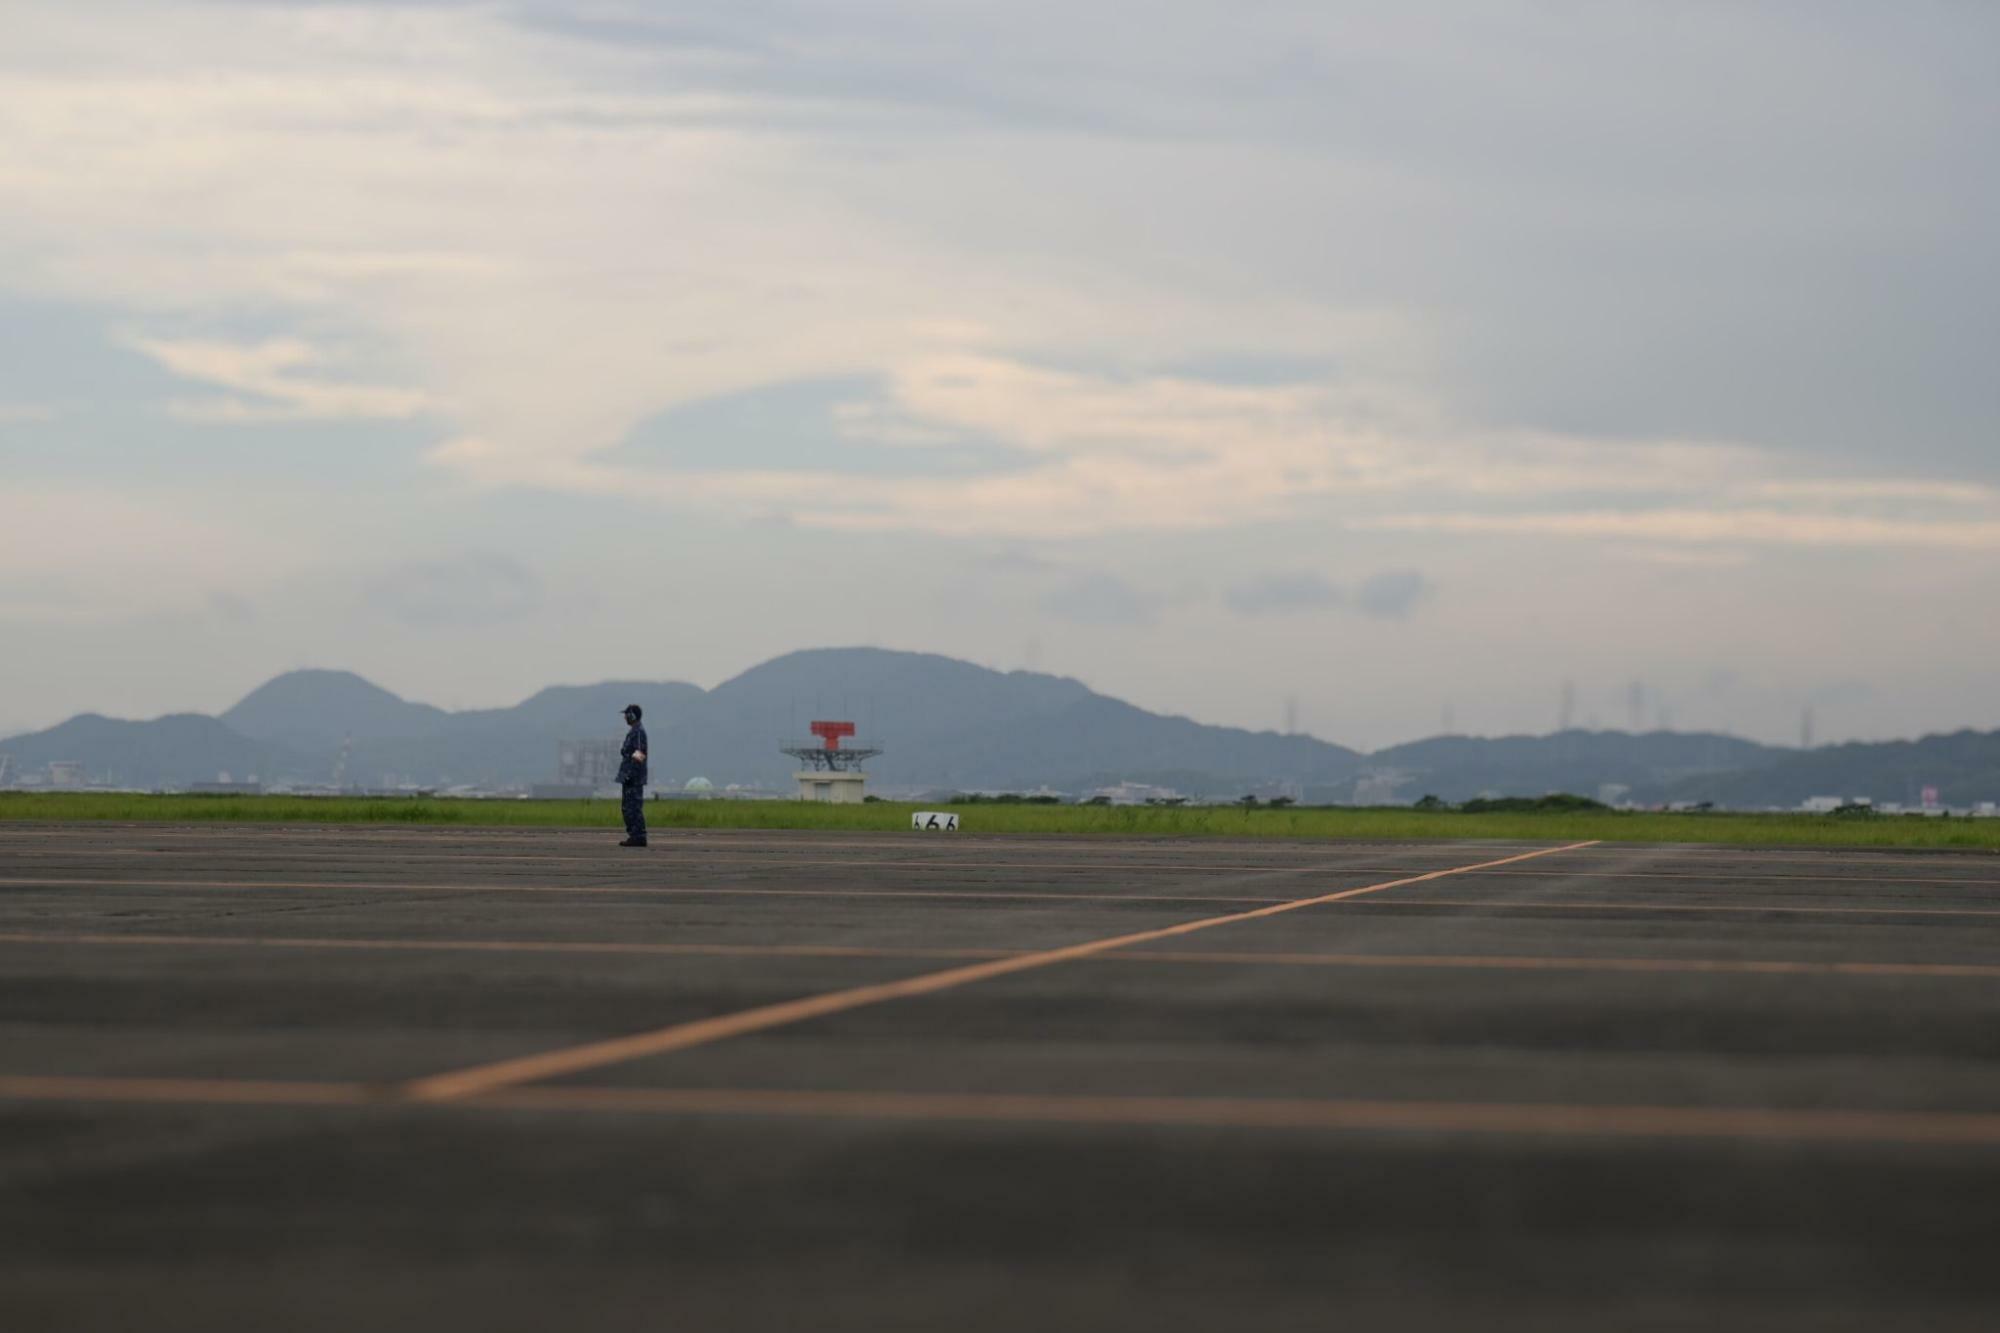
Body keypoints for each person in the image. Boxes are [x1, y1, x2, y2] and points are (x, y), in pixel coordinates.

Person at [616, 703, 648, 847]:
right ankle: (634, 835)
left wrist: (632, 772)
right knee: (627, 807)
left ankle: (639, 836)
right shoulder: (634, 731)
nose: (625, 718)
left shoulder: (638, 732)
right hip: (628, 777)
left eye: (626, 715)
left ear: (632, 716)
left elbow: (640, 753)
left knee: (634, 807)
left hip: (633, 778)